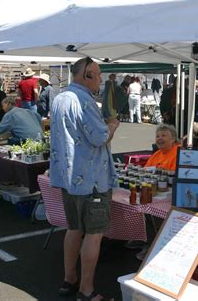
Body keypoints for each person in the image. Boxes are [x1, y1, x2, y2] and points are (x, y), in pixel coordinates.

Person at [50, 57, 119, 301]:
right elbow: (100, 137)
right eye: (98, 74)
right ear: (87, 75)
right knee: (93, 233)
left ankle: (70, 279)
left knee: (74, 229)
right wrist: (112, 125)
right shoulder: (84, 101)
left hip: (70, 177)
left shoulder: (60, 98)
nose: (100, 79)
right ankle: (87, 290)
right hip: (92, 180)